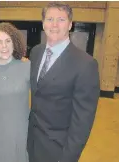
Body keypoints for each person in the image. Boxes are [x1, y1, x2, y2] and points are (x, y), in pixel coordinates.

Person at [27, 3, 100, 162]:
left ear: (70, 24)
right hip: (31, 142)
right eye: (50, 19)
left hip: (58, 149)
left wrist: (68, 157)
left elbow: (83, 120)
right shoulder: (36, 52)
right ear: (43, 23)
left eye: (60, 19)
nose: (54, 24)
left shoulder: (85, 64)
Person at [0, 22, 30, 162]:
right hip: (1, 131)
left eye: (8, 41)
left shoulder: (27, 66)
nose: (4, 46)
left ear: (14, 43)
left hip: (24, 130)